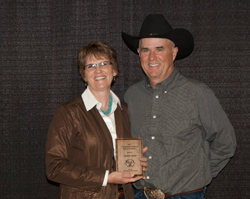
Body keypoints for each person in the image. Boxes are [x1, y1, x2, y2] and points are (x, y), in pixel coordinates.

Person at [122, 14, 237, 199]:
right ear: (138, 53)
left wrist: (200, 173)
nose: (152, 57)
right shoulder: (131, 95)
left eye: (159, 49)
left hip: (185, 195)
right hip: (140, 195)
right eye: (145, 50)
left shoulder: (198, 93)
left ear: (173, 53)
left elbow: (226, 142)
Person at [46, 41, 148, 199]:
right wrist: (105, 177)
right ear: (84, 75)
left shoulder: (125, 111)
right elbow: (54, 168)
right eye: (90, 66)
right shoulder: (69, 113)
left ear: (114, 70)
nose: (98, 70)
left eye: (103, 63)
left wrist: (135, 161)